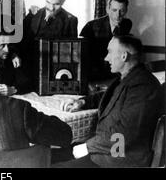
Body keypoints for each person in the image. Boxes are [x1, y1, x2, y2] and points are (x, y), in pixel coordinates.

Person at [57, 35, 163, 167]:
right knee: (52, 155)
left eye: (110, 52)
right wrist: (82, 102)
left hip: (118, 160)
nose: (106, 58)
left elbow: (125, 135)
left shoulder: (143, 87)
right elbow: (109, 97)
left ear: (124, 56)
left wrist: (87, 147)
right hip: (108, 152)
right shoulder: (130, 78)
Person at [20, 0, 78, 88]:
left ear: (63, 2)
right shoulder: (33, 14)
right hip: (29, 69)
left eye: (56, 4)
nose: (51, 8)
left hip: (54, 70)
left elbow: (70, 51)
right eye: (48, 2)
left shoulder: (71, 20)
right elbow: (22, 40)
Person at [80, 0, 132, 82]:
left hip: (117, 72)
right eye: (114, 10)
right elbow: (83, 54)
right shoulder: (91, 26)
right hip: (96, 73)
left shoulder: (127, 24)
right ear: (107, 9)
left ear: (126, 10)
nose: (118, 15)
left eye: (122, 11)